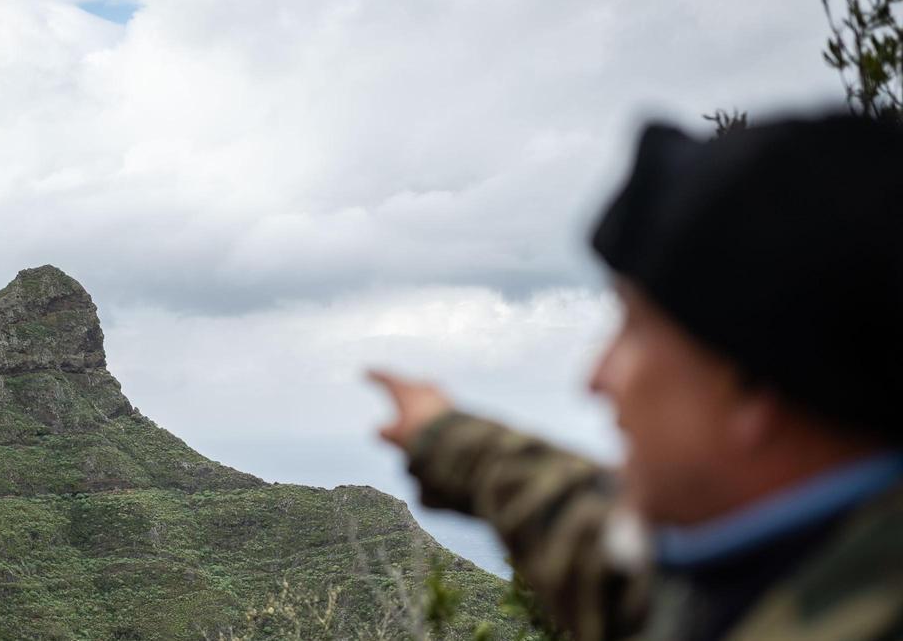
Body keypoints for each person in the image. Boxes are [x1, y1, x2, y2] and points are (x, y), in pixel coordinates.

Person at [370, 113, 903, 641]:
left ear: (750, 389)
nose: (597, 378)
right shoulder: (751, 573)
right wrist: (440, 432)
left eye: (634, 328)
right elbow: (575, 524)